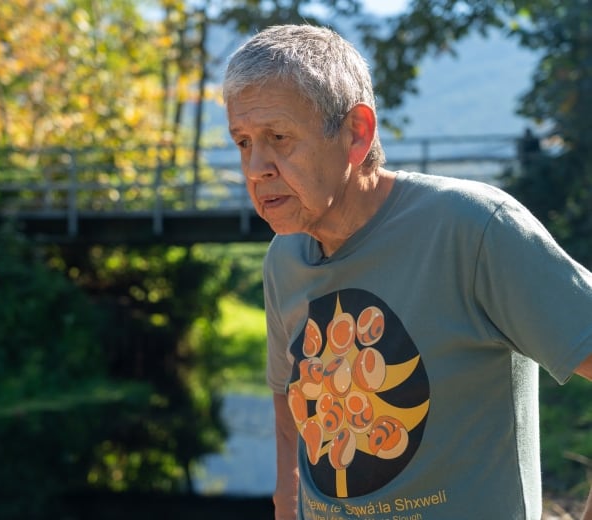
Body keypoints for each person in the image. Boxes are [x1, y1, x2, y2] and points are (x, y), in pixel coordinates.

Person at [222, 24, 592, 520]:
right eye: (243, 142)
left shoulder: (474, 229)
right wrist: (288, 506)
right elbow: (291, 401)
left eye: (279, 138)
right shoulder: (283, 258)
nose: (255, 167)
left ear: (356, 132)